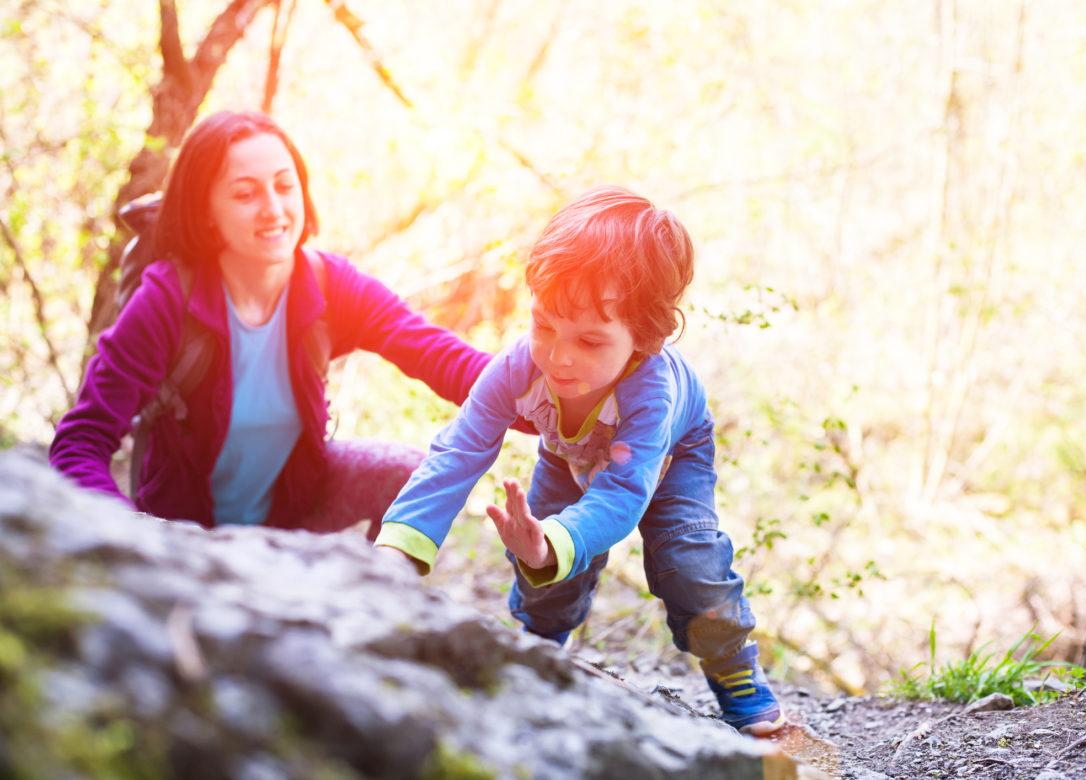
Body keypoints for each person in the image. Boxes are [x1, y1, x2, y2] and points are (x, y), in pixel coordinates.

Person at [375, 185, 785, 734]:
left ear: (643, 339)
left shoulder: (650, 393)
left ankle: (735, 670)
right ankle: (537, 646)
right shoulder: (519, 368)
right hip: (568, 456)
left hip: (666, 459)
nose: (559, 358)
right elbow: (460, 449)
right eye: (544, 325)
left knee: (688, 563)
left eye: (590, 342)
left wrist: (555, 540)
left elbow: (620, 494)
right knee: (545, 566)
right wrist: (398, 550)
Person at [50, 110, 500, 539]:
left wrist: (559, 393)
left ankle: (369, 610)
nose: (274, 209)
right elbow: (80, 441)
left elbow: (445, 360)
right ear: (206, 209)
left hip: (294, 514)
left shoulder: (330, 285)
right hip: (183, 537)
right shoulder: (169, 299)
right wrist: (130, 538)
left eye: (285, 186)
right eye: (245, 194)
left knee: (409, 474)